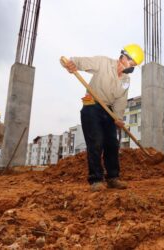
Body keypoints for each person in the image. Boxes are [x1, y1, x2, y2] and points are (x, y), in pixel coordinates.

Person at [63, 44, 144, 192]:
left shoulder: (126, 80)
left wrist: (118, 117)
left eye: (134, 65)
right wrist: (72, 63)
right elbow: (83, 62)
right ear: (123, 56)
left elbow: (121, 99)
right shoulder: (104, 63)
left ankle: (113, 178)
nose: (131, 66)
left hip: (109, 111)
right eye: (130, 62)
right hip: (92, 105)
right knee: (96, 142)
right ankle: (96, 179)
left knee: (112, 144)